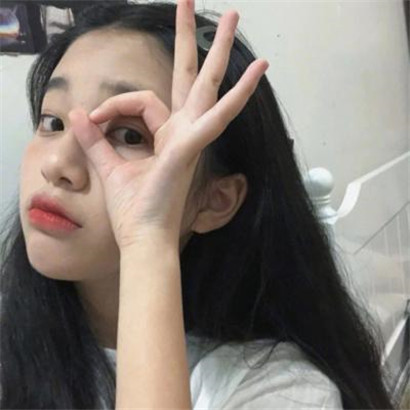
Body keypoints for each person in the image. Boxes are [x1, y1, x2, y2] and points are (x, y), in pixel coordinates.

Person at [0, 0, 397, 408]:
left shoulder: (281, 389)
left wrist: (147, 238)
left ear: (215, 201)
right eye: (52, 122)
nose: (56, 164)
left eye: (130, 136)